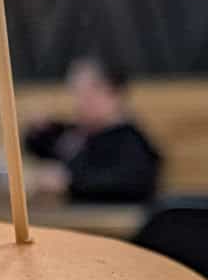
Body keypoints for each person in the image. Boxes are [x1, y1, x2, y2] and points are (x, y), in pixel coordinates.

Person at [25, 57, 162, 203]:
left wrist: (69, 181)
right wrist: (37, 129)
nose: (80, 103)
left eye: (89, 94)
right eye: (77, 94)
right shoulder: (79, 132)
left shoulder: (131, 142)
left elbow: (128, 183)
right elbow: (41, 145)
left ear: (113, 94)